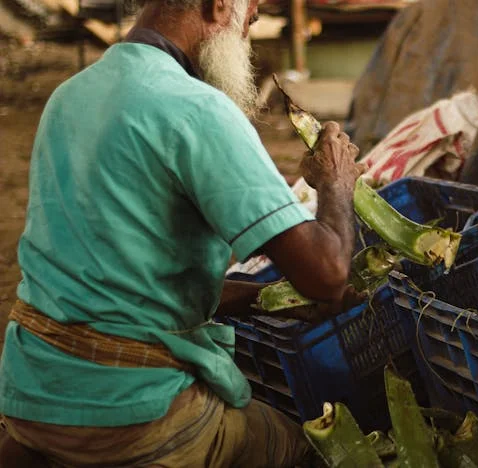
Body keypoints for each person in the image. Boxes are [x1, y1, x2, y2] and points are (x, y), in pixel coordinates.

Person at [0, 0, 366, 465]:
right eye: (249, 20)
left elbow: (129, 281)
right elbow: (327, 273)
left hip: (28, 393)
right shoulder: (197, 109)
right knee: (309, 445)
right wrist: (336, 182)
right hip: (130, 415)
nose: (247, 41)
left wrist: (263, 298)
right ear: (219, 7)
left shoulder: (70, 95)